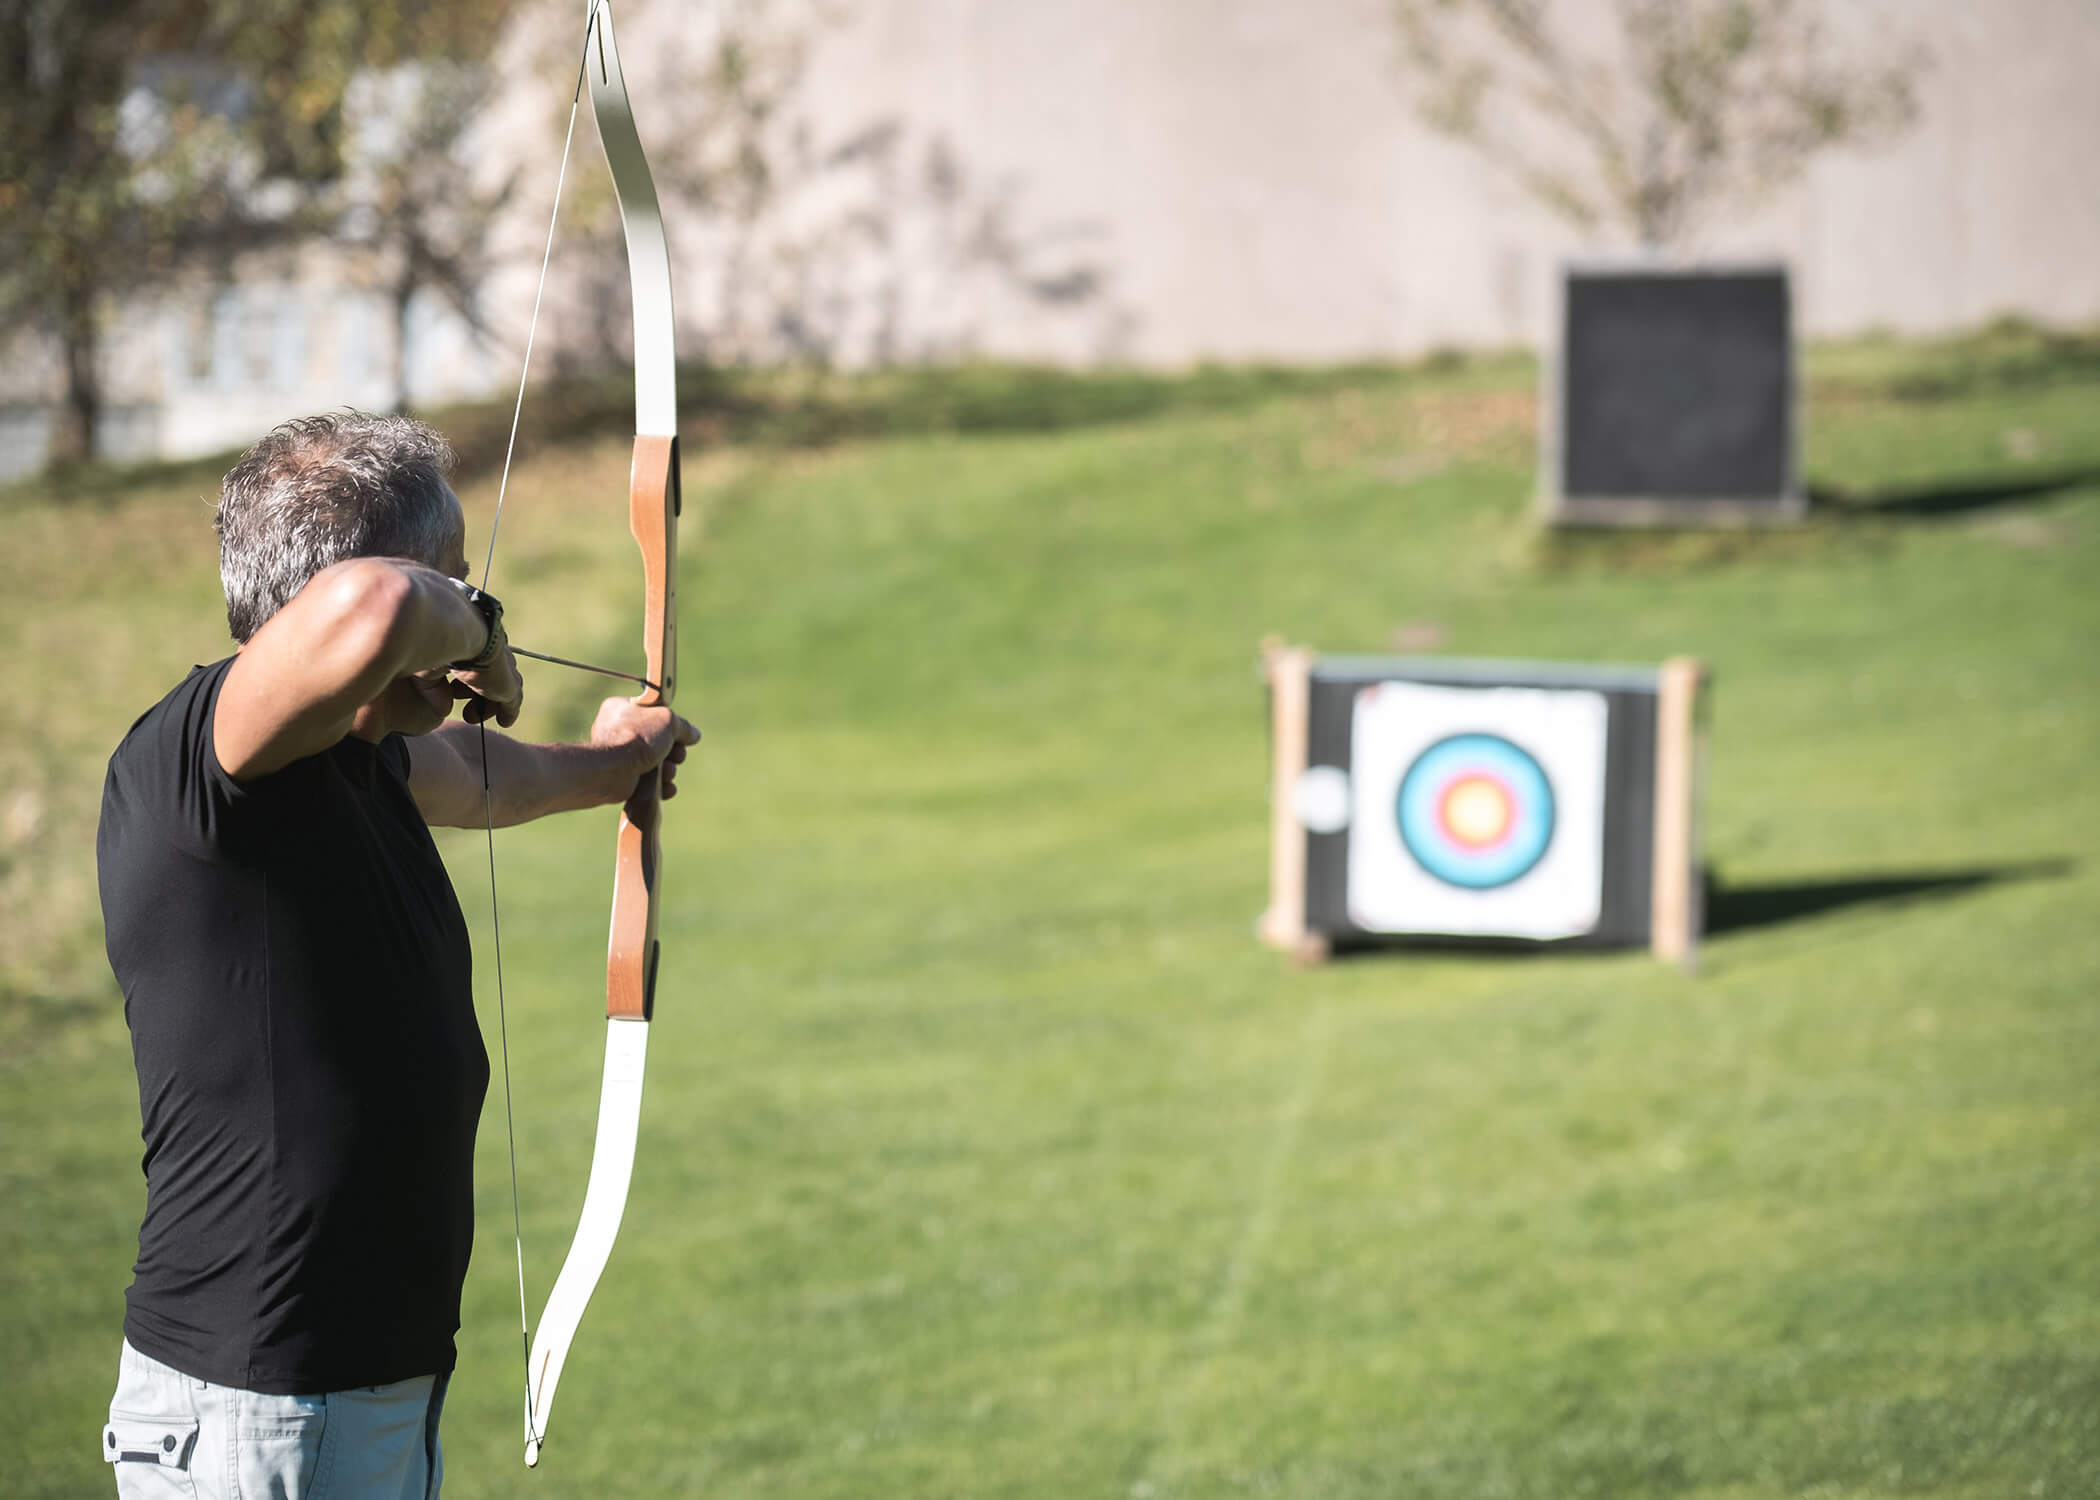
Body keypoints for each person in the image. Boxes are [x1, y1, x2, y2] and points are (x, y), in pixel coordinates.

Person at [95, 412, 698, 1498]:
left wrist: (616, 764)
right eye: (459, 582)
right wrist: (485, 631)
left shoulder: (356, 760)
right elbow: (375, 608)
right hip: (258, 1405)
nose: (470, 617)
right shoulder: (206, 758)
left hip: (344, 1392)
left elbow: (481, 776)